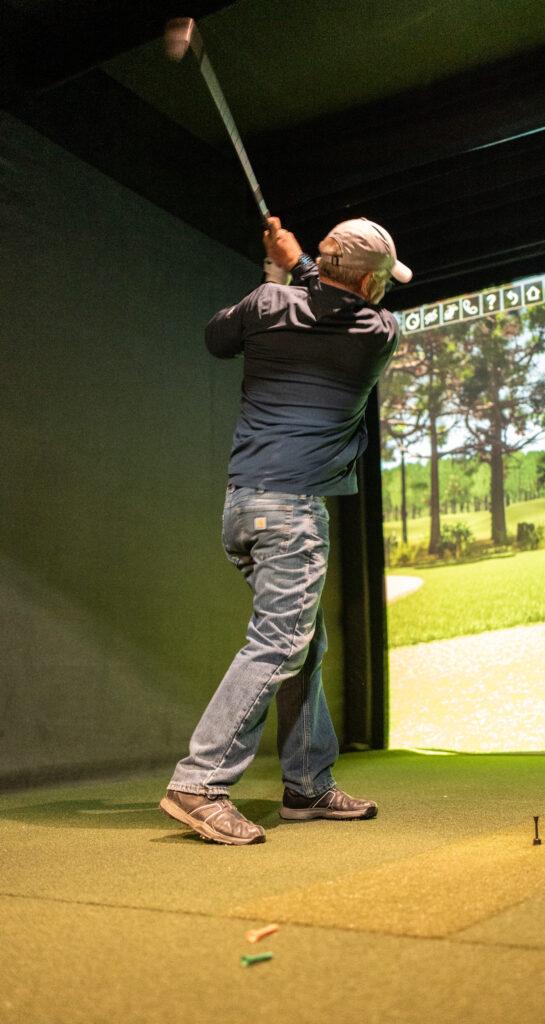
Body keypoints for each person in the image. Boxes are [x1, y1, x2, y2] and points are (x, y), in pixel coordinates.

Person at [159, 216, 412, 845]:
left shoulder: (267, 304)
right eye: (382, 279)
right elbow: (335, 301)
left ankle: (306, 785)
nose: (384, 290)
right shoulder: (379, 329)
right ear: (369, 282)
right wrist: (297, 263)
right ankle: (200, 782)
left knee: (303, 644)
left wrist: (286, 269)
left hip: (243, 506)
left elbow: (219, 339)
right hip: (292, 512)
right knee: (280, 643)